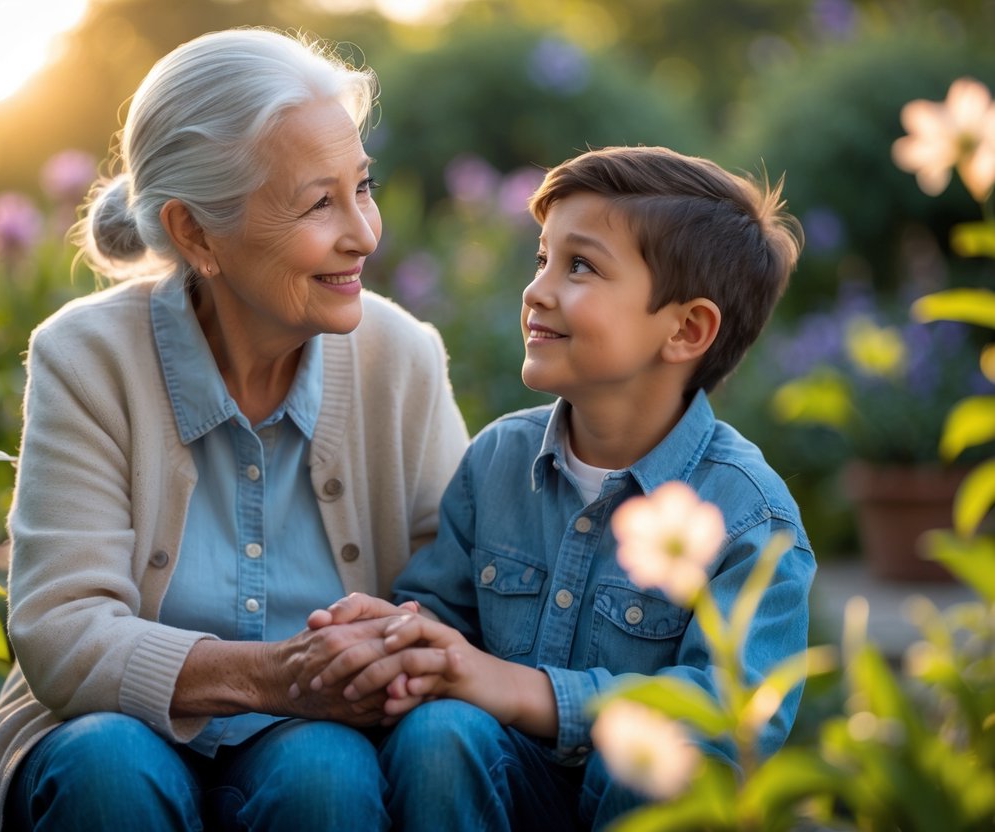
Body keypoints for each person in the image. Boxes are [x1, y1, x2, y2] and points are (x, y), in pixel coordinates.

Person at [0, 27, 468, 832]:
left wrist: (391, 642)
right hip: (105, 734)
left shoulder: (402, 356)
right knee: (107, 767)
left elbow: (453, 593)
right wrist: (281, 676)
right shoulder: (85, 355)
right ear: (196, 233)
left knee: (328, 771)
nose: (365, 235)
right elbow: (61, 631)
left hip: (319, 739)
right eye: (318, 203)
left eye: (361, 188)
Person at [309, 145, 816, 830]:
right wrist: (394, 638)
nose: (537, 289)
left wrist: (524, 690)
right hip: (502, 783)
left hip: (642, 806)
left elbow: (729, 718)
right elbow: (439, 613)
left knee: (658, 754)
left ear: (686, 329)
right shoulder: (497, 459)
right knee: (438, 736)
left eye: (579, 265)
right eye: (541, 258)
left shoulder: (749, 516)